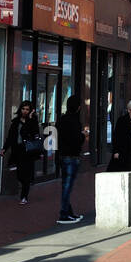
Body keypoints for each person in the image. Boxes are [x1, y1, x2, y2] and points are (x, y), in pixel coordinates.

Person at [0, 101, 41, 204]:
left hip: (27, 151)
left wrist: (30, 119)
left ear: (30, 110)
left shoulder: (33, 121)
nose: (25, 111)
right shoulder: (16, 121)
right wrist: (4, 148)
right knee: (19, 175)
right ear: (20, 109)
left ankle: (24, 196)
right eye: (23, 109)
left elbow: (34, 133)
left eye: (27, 109)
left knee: (25, 174)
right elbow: (10, 137)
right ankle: (25, 186)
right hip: (17, 150)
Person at [57, 95, 87, 223]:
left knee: (66, 185)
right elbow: (76, 140)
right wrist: (83, 135)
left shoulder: (62, 119)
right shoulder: (74, 121)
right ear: (78, 107)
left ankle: (68, 212)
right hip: (71, 156)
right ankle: (64, 214)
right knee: (67, 186)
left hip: (63, 155)